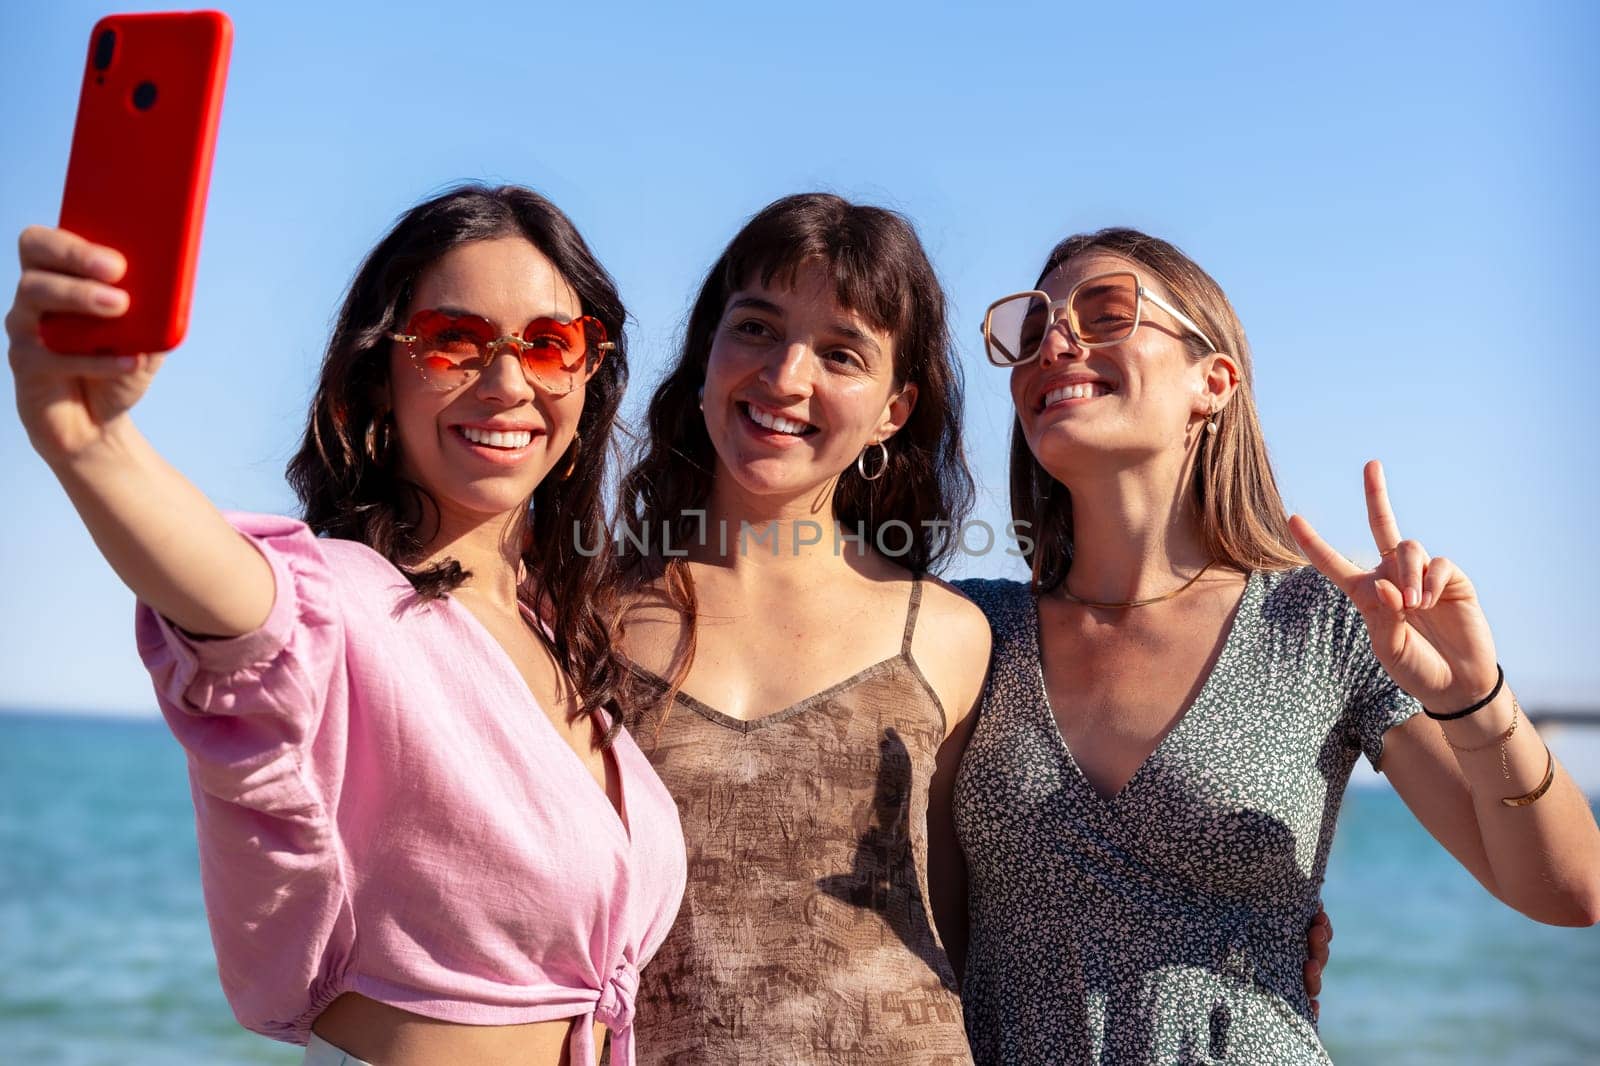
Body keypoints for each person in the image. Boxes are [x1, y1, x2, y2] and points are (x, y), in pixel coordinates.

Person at [7, 184, 686, 1066]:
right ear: (379, 379)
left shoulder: (559, 630)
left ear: (587, 379)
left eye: (551, 345)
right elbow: (244, 611)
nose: (509, 382)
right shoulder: (347, 603)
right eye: (454, 341)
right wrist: (90, 441)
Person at [955, 227, 1600, 1064]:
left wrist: (1475, 698)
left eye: (1106, 311)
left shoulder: (1324, 624)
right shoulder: (967, 633)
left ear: (1212, 380)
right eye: (1031, 330)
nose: (1056, 343)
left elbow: (1566, 892)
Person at [613, 193, 992, 1064]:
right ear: (706, 353)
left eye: (841, 353)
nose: (785, 377)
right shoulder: (580, 620)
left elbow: (982, 919)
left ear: (894, 410)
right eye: (754, 327)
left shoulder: (948, 635)